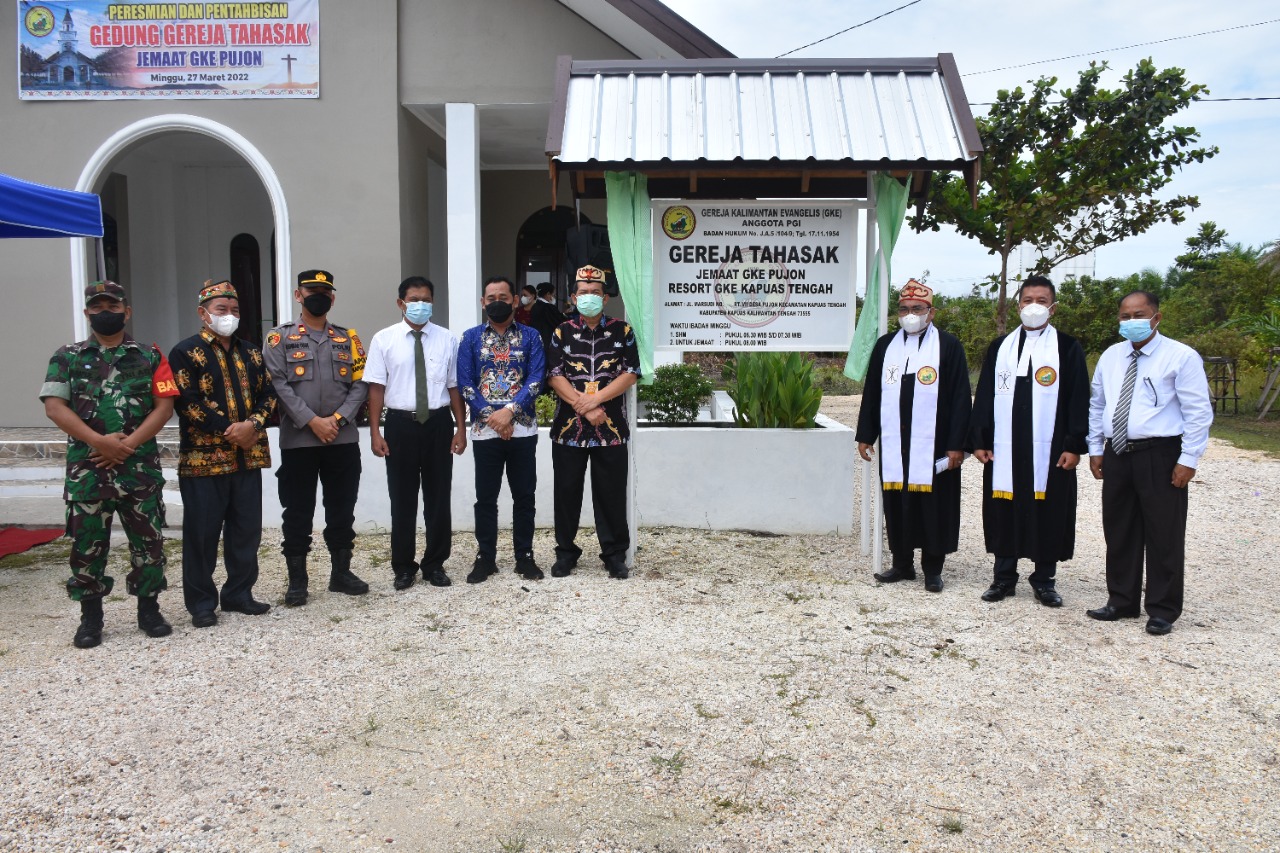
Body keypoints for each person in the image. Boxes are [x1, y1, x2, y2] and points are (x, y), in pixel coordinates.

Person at [40, 281, 179, 647]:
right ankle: (90, 618)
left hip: (138, 468)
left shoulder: (150, 355)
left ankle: (149, 610)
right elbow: (55, 406)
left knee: (148, 543)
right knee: (87, 545)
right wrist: (99, 441)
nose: (106, 312)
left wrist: (128, 445)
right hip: (89, 469)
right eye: (98, 306)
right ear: (87, 313)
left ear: (126, 311)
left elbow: (164, 406)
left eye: (113, 306)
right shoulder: (66, 356)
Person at [1086, 290, 1213, 636]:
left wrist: (1188, 459)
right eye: (1125, 316)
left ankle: (1162, 608)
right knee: (1120, 529)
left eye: (1138, 315)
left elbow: (1198, 412)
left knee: (1163, 532)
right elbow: (1097, 405)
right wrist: (1095, 448)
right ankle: (1121, 600)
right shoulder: (1111, 357)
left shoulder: (1180, 357)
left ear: (1156, 317)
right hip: (1117, 452)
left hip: (1160, 453)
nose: (1131, 322)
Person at [969, 275, 1090, 607]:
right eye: (1027, 300)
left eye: (1041, 300)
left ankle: (1044, 580)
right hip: (1005, 447)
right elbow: (984, 398)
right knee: (1003, 508)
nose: (1033, 306)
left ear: (1053, 308)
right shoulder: (1000, 348)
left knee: (1047, 509)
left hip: (1050, 448)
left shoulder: (1067, 347)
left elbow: (1078, 398)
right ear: (1018, 304)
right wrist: (979, 438)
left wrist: (1073, 444)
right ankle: (1003, 578)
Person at [169, 280, 277, 627]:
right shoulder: (185, 352)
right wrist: (230, 430)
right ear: (203, 314)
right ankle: (201, 603)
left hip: (248, 456)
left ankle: (239, 593)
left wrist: (255, 424)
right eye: (221, 310)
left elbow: (269, 394)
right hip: (204, 461)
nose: (229, 316)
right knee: (202, 533)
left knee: (246, 530)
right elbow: (186, 402)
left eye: (234, 310)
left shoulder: (252, 352)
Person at [855, 279, 971, 593]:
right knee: (898, 503)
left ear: (931, 312)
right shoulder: (885, 346)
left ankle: (933, 569)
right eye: (904, 309)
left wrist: (958, 445)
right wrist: (866, 434)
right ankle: (902, 564)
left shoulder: (948, 346)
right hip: (897, 443)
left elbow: (961, 397)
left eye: (917, 309)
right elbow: (874, 393)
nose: (910, 314)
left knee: (934, 505)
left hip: (935, 443)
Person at [264, 269, 370, 606]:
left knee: (342, 509)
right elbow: (278, 385)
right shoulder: (278, 339)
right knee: (297, 511)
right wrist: (312, 421)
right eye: (311, 290)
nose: (318, 296)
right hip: (299, 441)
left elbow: (361, 383)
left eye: (324, 291)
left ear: (332, 298)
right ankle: (298, 580)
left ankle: (341, 573)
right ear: (299, 295)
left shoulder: (347, 339)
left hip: (341, 439)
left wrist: (336, 420)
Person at [363, 276, 467, 589]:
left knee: (438, 498)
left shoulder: (447, 339)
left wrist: (460, 429)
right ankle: (403, 567)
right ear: (401, 303)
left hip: (437, 425)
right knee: (403, 499)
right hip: (399, 425)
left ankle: (435, 564)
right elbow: (376, 389)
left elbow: (453, 387)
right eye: (414, 299)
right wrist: (375, 432)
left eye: (425, 299)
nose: (420, 305)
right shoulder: (384, 339)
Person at [546, 264, 641, 579]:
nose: (589, 297)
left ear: (605, 297)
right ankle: (566, 553)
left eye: (595, 293)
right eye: (583, 293)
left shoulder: (622, 331)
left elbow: (630, 373)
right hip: (568, 431)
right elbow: (555, 375)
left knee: (611, 494)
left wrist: (596, 400)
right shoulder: (562, 332)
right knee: (566, 494)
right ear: (573, 297)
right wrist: (582, 406)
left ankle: (614, 555)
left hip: (610, 430)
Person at [457, 276, 546, 583]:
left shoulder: (532, 336)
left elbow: (536, 379)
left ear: (513, 301)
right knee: (486, 497)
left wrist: (509, 412)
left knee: (524, 496)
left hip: (522, 430)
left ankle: (525, 556)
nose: (497, 301)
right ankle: (486, 557)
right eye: (491, 296)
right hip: (485, 432)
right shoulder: (469, 338)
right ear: (483, 302)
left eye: (503, 296)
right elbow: (465, 383)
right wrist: (491, 416)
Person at [529, 282, 565, 356]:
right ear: (548, 294)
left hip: (536, 341)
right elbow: (558, 323)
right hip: (547, 342)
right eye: (553, 294)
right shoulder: (548, 307)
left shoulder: (535, 306)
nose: (553, 297)